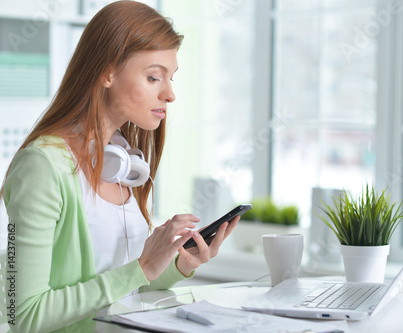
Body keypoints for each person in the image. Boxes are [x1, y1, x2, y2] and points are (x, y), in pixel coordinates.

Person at [0, 1, 239, 332]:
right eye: (154, 76)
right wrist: (141, 267)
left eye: (171, 78)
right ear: (107, 71)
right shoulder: (43, 167)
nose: (170, 94)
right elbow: (23, 314)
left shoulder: (127, 164)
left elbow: (126, 289)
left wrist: (177, 266)